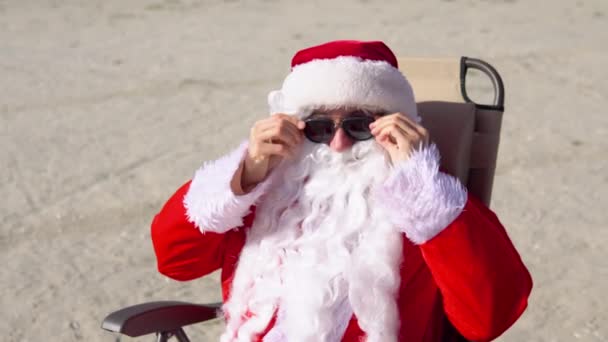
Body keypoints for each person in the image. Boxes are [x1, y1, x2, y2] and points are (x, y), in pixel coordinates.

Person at [151, 40, 532, 342]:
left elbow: (487, 319)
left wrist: (424, 191)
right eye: (317, 127)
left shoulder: (429, 209)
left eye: (359, 125)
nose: (337, 144)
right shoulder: (267, 192)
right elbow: (175, 261)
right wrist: (245, 174)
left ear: (393, 127)